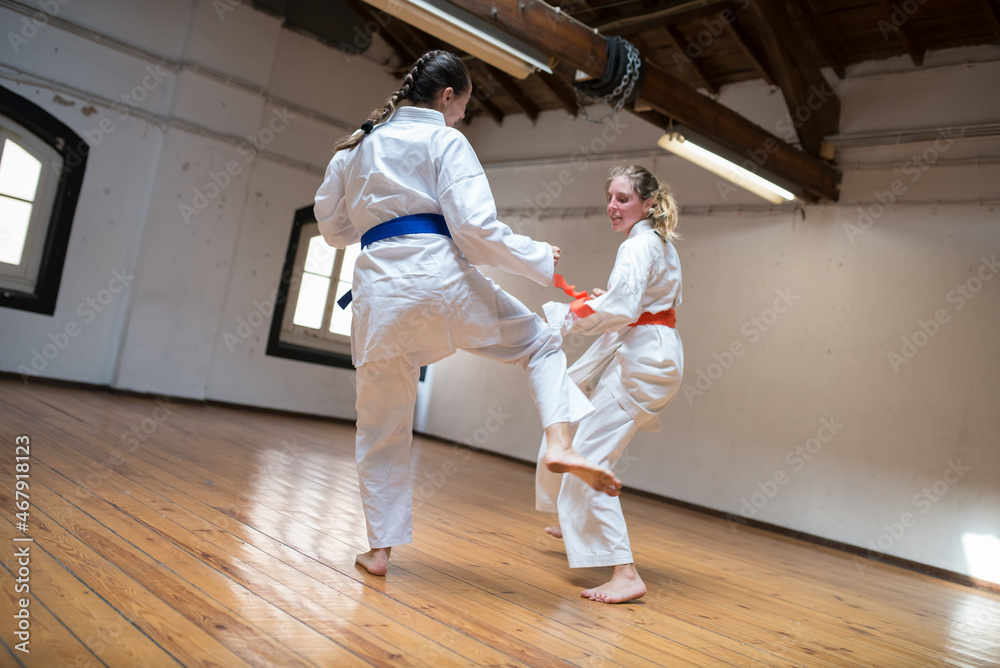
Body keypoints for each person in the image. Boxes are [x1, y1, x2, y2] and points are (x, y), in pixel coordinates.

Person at [313, 50, 622, 577]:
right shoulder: (445, 140)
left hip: (381, 297)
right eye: (464, 106)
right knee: (540, 342)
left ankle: (379, 551)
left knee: (381, 425)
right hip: (443, 282)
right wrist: (538, 258)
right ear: (448, 96)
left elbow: (333, 231)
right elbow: (475, 233)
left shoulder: (356, 148)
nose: (462, 117)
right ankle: (558, 443)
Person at [536, 165, 684, 603]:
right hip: (648, 353)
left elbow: (621, 307)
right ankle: (573, 519)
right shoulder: (655, 242)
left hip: (645, 361)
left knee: (587, 461)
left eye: (623, 198)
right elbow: (630, 301)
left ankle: (626, 573)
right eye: (610, 198)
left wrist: (563, 319)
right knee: (566, 429)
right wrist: (605, 302)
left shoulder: (639, 246)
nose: (612, 207)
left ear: (648, 203)